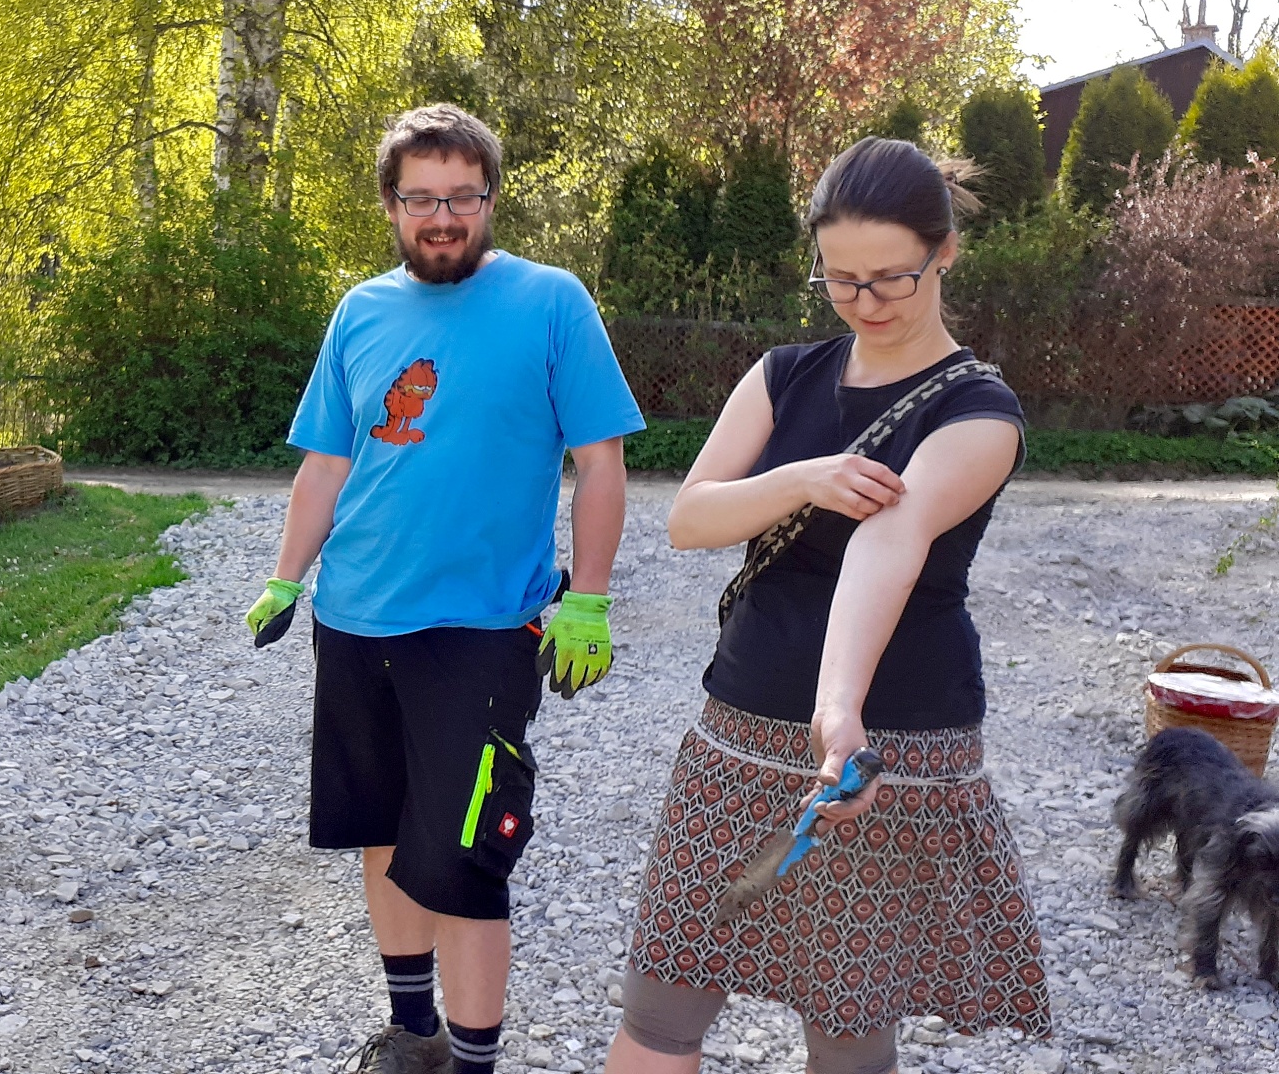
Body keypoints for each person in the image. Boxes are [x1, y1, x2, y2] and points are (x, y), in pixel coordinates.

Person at [606, 138, 1047, 1074]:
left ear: (945, 253)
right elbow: (689, 519)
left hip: (885, 744)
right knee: (661, 998)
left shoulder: (979, 411)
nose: (865, 302)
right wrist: (805, 478)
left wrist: (838, 708)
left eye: (891, 279)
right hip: (737, 724)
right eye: (840, 280)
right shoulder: (784, 375)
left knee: (848, 1024)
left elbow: (890, 539)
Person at [246, 104, 643, 1074]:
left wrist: (588, 597)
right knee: (381, 833)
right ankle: (411, 1032)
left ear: (490, 199)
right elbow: (326, 465)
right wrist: (286, 578)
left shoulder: (551, 303)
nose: (441, 218)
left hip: (481, 632)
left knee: (467, 857)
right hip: (352, 620)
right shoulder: (359, 312)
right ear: (390, 205)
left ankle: (473, 1061)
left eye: (461, 197)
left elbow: (599, 463)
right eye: (420, 199)